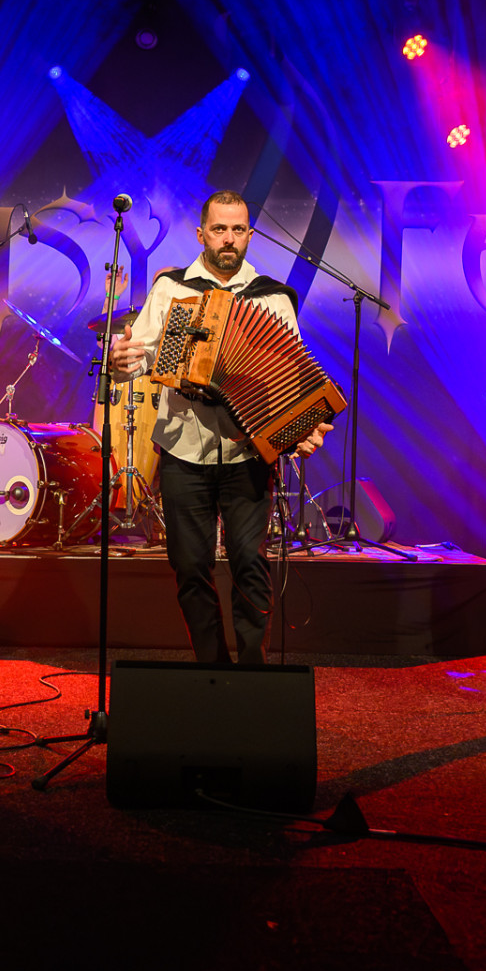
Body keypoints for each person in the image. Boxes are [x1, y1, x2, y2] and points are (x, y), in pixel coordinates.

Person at [107, 190, 332, 664]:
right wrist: (122, 361)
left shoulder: (272, 298)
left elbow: (291, 379)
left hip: (246, 454)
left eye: (237, 230)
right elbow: (138, 356)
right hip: (182, 447)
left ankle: (251, 671)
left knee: (250, 562)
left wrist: (304, 427)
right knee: (190, 566)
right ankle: (210, 669)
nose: (228, 239)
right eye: (219, 229)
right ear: (201, 234)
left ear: (249, 235)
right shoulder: (171, 289)